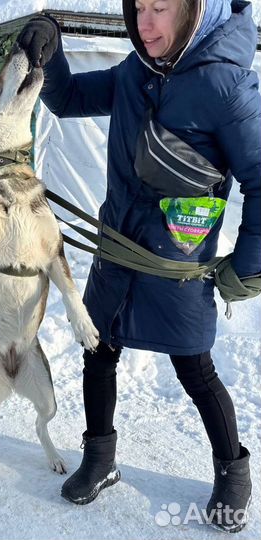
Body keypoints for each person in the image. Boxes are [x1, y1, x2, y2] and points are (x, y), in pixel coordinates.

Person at [16, 0, 260, 532]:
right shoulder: (136, 70)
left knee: (195, 369)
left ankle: (233, 474)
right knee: (98, 350)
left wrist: (247, 265)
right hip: (115, 252)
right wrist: (49, 48)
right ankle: (100, 458)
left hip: (176, 263)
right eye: (139, 7)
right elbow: (68, 98)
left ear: (194, 10)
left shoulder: (226, 85)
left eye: (160, 9)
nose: (144, 24)